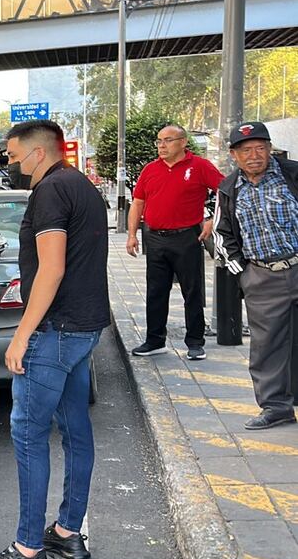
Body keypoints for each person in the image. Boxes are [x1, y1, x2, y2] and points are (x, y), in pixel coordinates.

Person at [0, 120, 110, 559]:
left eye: (13, 157)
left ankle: (28, 549)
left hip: (53, 331)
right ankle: (67, 530)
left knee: (29, 435)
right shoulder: (84, 188)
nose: (10, 165)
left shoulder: (50, 191)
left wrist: (21, 335)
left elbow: (50, 269)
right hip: (83, 327)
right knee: (74, 427)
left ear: (37, 153)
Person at [214, 122, 298, 431]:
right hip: (262, 276)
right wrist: (243, 273)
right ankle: (276, 407)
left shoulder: (292, 174)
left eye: (261, 148)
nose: (254, 155)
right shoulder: (229, 188)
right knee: (267, 346)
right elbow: (222, 234)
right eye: (246, 150)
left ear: (270, 148)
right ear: (234, 155)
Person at [125, 124, 223, 361]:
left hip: (187, 237)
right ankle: (155, 340)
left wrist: (211, 218)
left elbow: (224, 190)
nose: (162, 145)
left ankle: (195, 342)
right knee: (156, 291)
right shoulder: (150, 170)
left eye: (168, 140)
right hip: (155, 238)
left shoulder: (199, 166)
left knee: (192, 291)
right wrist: (131, 235)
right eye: (159, 141)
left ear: (182, 142)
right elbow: (138, 203)